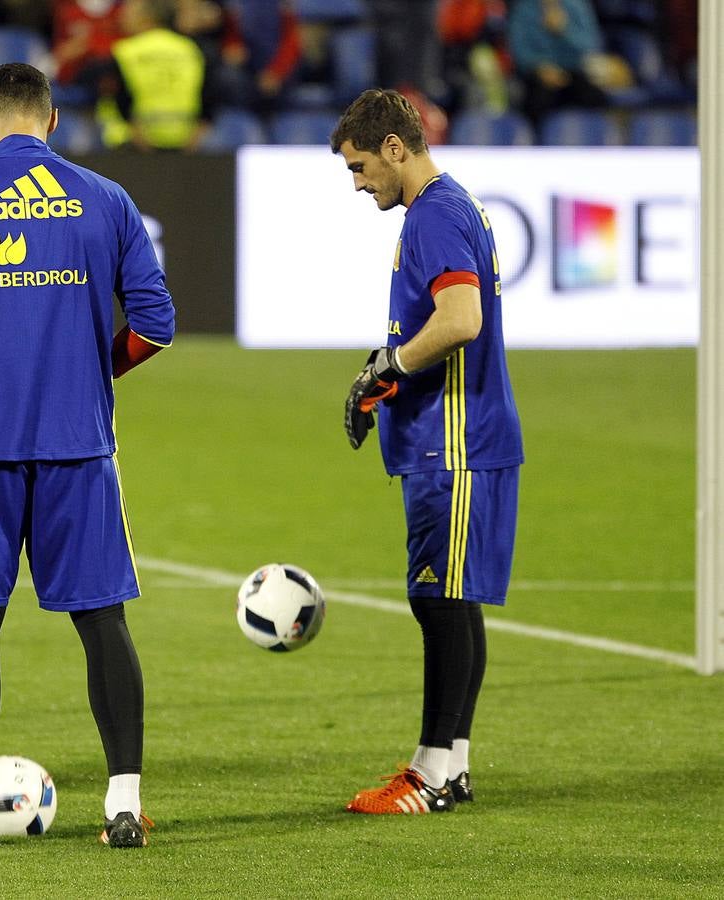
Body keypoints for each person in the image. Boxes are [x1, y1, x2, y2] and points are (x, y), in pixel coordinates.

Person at [0, 62, 175, 848]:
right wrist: (95, 366)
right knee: (102, 621)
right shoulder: (107, 199)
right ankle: (122, 804)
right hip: (80, 447)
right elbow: (156, 318)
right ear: (53, 121)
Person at [331, 88, 523, 814]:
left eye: (359, 168)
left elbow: (462, 319)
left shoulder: (437, 214)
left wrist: (391, 368)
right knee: (448, 599)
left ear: (394, 147)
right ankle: (448, 763)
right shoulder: (450, 207)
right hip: (461, 438)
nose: (358, 184)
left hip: (456, 442)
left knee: (438, 600)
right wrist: (384, 378)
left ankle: (432, 775)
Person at [98, 0, 215, 152]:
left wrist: (140, 140)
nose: (123, 16)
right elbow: (209, 98)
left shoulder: (125, 51)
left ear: (146, 17)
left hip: (133, 146)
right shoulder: (192, 49)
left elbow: (118, 100)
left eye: (130, 11)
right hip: (187, 144)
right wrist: (193, 142)